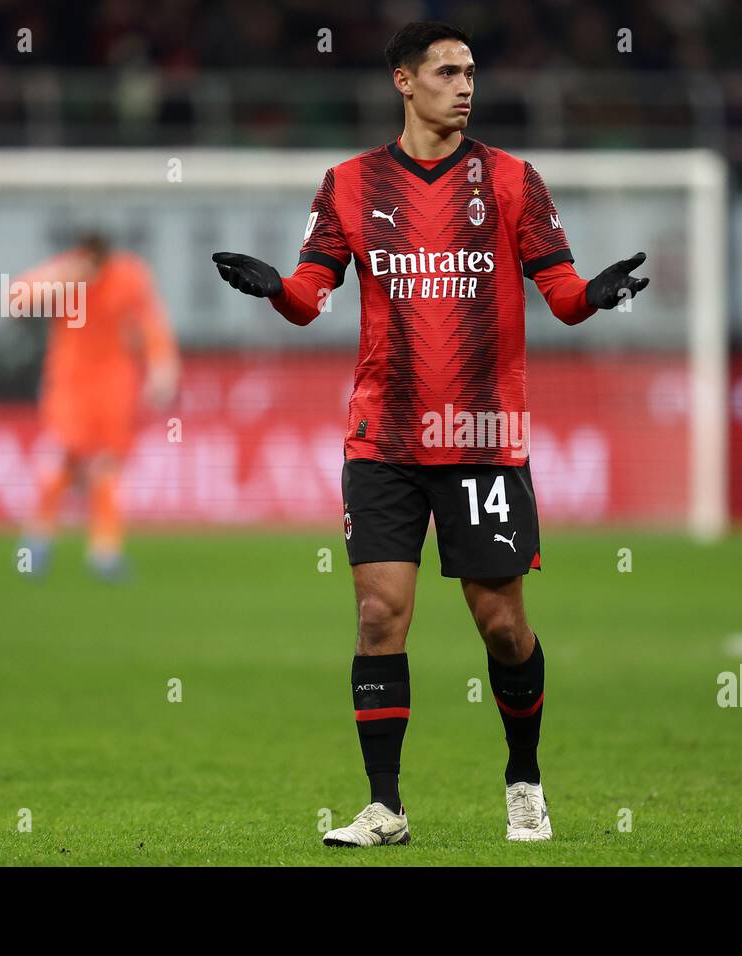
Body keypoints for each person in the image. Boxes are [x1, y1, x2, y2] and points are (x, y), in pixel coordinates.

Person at [212, 21, 649, 846]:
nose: (465, 84)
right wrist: (275, 286)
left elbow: (556, 292)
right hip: (384, 438)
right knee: (380, 615)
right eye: (447, 71)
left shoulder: (514, 181)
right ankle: (385, 805)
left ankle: (524, 778)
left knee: (503, 626)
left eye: (471, 71)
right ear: (403, 82)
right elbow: (312, 294)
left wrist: (594, 291)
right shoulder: (348, 184)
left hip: (481, 435)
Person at [16, 232, 179, 580]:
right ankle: (38, 540)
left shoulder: (130, 276)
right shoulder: (64, 273)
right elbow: (16, 299)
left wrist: (162, 367)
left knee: (107, 464)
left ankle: (104, 551)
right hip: (69, 383)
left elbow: (152, 325)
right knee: (65, 456)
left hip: (114, 386)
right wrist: (52, 283)